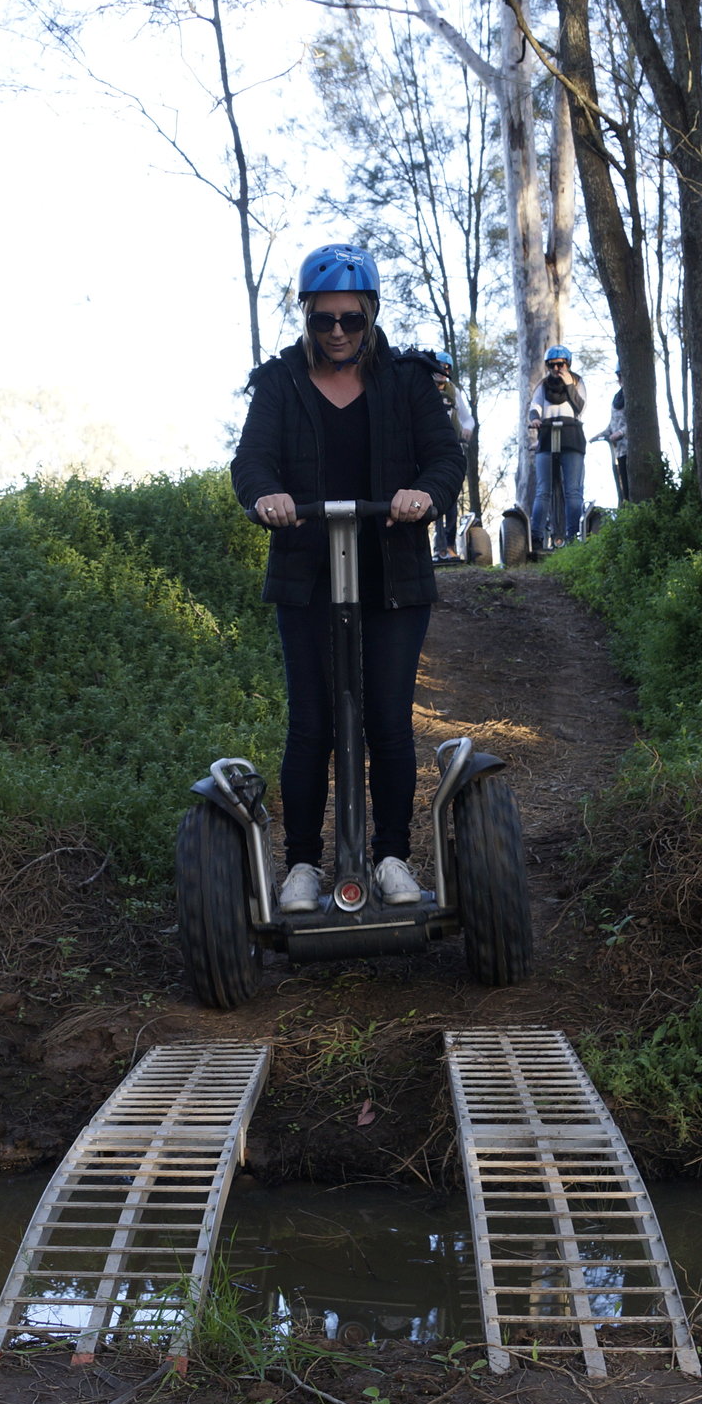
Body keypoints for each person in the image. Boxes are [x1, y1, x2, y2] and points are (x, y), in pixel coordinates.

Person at [231, 244, 466, 916]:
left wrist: (425, 494)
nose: (338, 332)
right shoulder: (280, 383)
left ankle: (391, 855)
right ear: (306, 316)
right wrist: (268, 496)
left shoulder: (408, 381)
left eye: (351, 320)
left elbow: (445, 458)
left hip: (391, 575)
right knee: (312, 724)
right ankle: (303, 863)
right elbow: (250, 461)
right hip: (307, 573)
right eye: (324, 319)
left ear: (371, 315)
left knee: (388, 720)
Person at [527, 346, 587, 550]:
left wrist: (569, 384)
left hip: (571, 436)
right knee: (543, 490)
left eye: (560, 364)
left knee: (573, 490)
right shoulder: (543, 385)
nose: (556, 368)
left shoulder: (577, 381)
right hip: (547, 436)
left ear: (567, 364)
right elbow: (534, 406)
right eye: (552, 365)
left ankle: (573, 536)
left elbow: (581, 407)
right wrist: (535, 419)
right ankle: (536, 537)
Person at [425, 349, 476, 562]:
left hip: (451, 449)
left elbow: (468, 419)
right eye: (438, 368)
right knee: (430, 499)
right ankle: (437, 548)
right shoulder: (423, 389)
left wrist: (466, 430)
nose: (441, 372)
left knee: (452, 499)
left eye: (446, 369)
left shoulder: (453, 391)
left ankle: (450, 546)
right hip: (428, 451)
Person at [595, 385, 631, 506]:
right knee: (623, 489)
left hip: (631, 451)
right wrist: (601, 434)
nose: (620, 379)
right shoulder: (617, 398)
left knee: (630, 487)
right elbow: (612, 424)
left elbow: (635, 421)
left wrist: (621, 433)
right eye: (618, 376)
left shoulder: (633, 395)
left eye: (621, 375)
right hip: (619, 452)